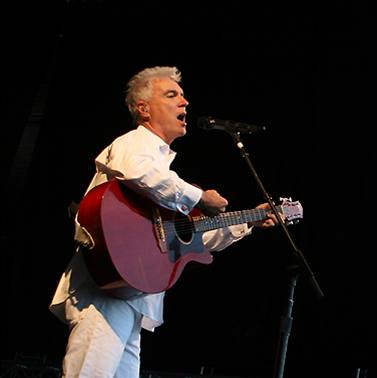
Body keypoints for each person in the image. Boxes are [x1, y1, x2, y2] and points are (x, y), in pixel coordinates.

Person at [49, 66, 278, 377]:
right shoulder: (136, 144)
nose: (184, 102)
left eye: (183, 96)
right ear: (144, 108)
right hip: (108, 292)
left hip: (131, 296)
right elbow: (138, 172)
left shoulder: (165, 182)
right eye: (172, 95)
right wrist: (199, 198)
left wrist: (249, 221)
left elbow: (192, 240)